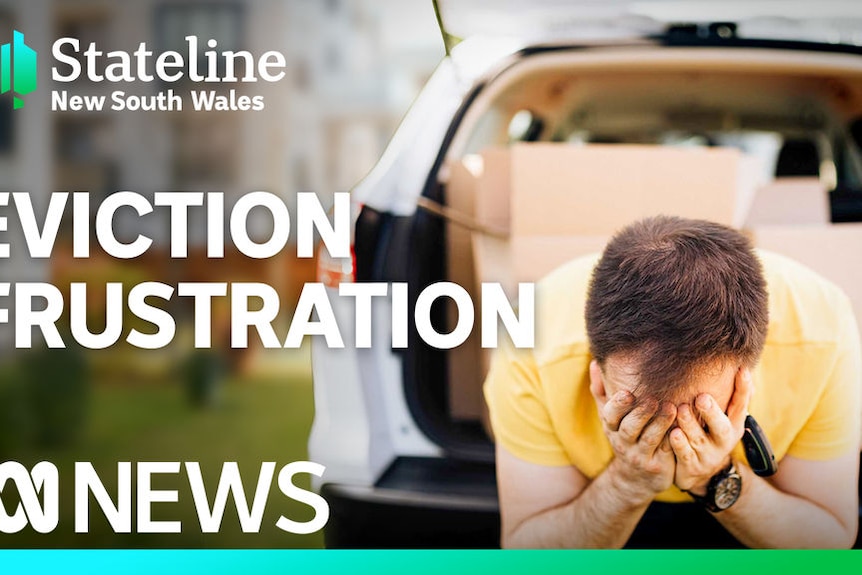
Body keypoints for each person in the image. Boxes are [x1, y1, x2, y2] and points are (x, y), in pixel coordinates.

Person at [484, 216, 861, 548]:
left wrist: (714, 475)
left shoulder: (821, 330)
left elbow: (827, 541)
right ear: (597, 376)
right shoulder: (531, 343)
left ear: (748, 373)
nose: (675, 440)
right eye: (641, 414)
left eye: (703, 413)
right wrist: (628, 482)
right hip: (594, 505)